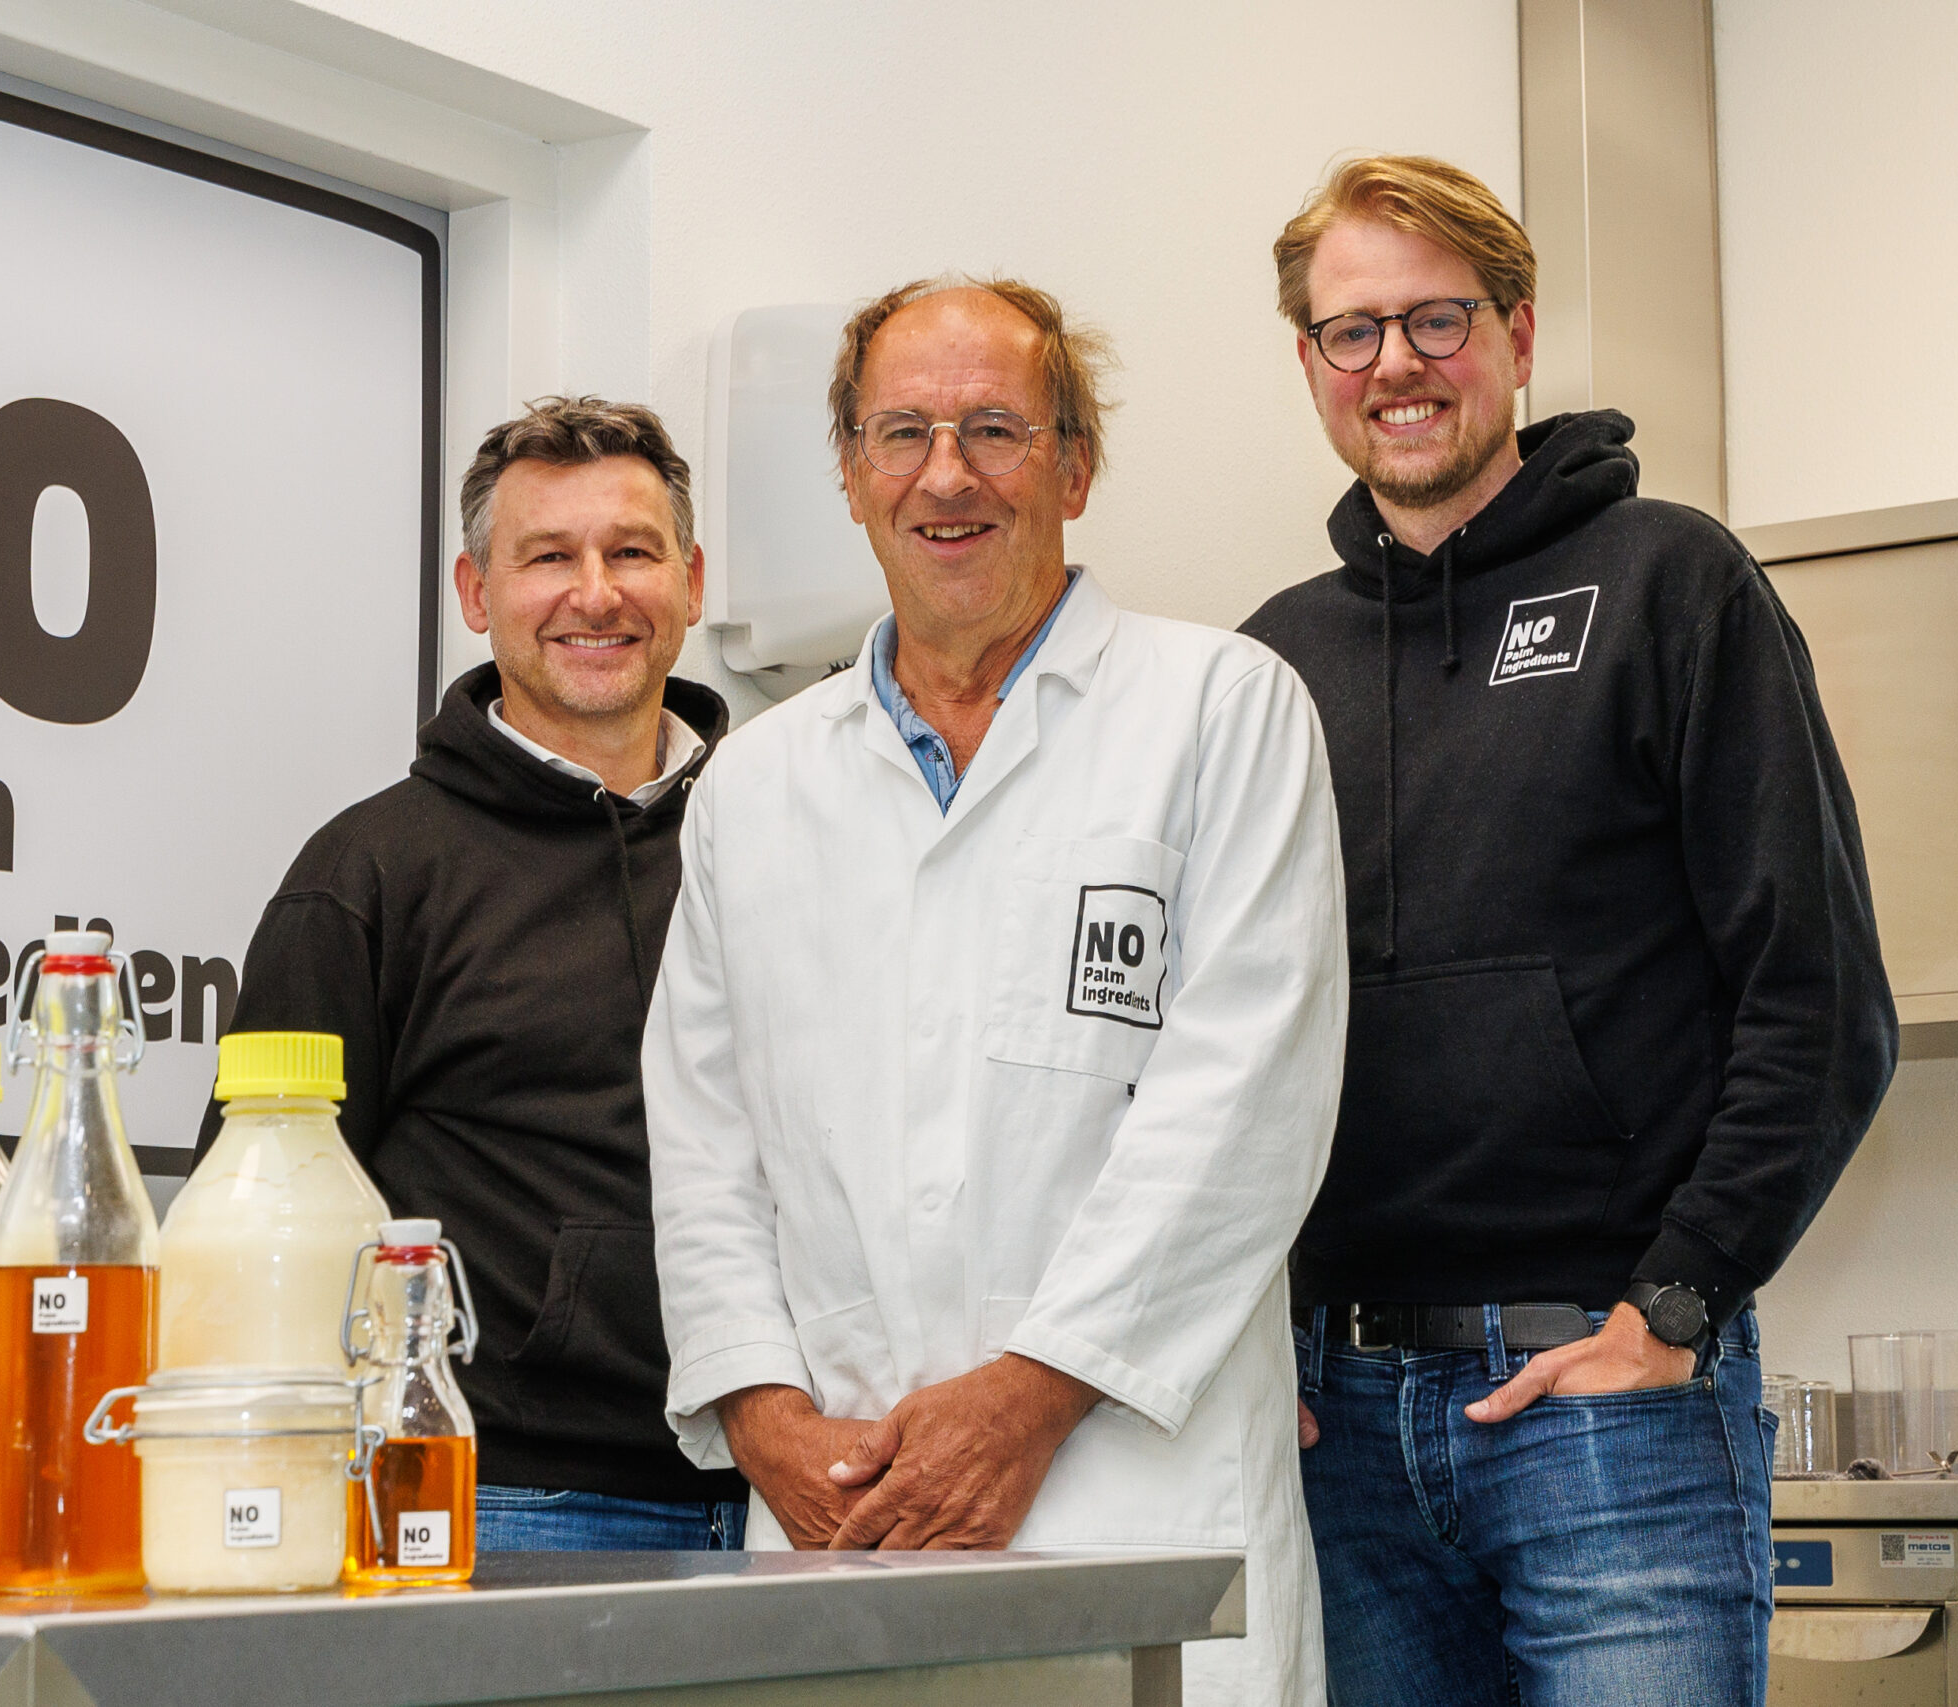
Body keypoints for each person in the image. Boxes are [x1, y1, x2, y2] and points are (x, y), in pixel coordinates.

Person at [1240, 156, 1898, 1703]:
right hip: (1341, 1429)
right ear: (1310, 362)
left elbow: (1818, 1001)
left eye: (1437, 318)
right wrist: (1248, 1341)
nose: (1395, 363)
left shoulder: (1673, 581)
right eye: (1351, 330)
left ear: (1519, 333)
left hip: (1611, 1404)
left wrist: (1675, 1304)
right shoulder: (1268, 664)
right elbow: (1222, 1048)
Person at [643, 277, 1348, 1705]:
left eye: (994, 429)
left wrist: (1031, 1395)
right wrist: (762, 1415)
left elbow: (1242, 1107)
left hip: (1136, 1502)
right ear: (852, 474)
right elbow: (704, 1142)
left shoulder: (1222, 709)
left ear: (1073, 468)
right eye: (901, 432)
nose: (945, 474)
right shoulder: (753, 784)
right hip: (841, 1515)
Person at [215, 396, 747, 1550]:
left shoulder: (777, 835)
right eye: (547, 557)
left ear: (692, 582)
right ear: (474, 592)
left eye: (632, 552)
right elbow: (255, 1223)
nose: (595, 595)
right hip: (501, 1499)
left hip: (788, 1494)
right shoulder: (367, 875)